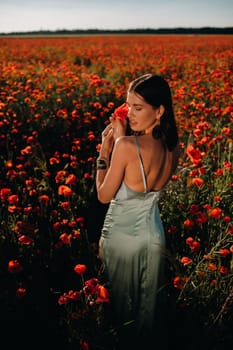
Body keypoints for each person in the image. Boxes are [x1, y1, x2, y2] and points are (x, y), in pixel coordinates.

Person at [95, 74, 179, 349]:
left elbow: (103, 195)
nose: (130, 113)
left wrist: (106, 151)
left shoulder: (125, 146)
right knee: (147, 315)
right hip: (153, 236)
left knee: (121, 316)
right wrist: (124, 138)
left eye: (138, 108)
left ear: (160, 110)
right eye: (128, 106)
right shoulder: (172, 146)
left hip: (122, 238)